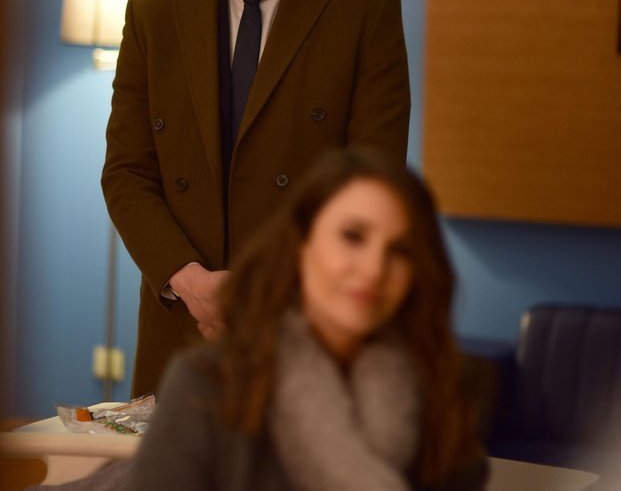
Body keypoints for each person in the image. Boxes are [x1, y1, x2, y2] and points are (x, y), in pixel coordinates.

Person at [101, 0, 410, 397]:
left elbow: (372, 188)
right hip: (183, 326)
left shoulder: (365, 5)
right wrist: (190, 281)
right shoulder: (152, 13)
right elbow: (126, 173)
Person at [119, 148, 488, 491]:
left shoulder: (444, 394)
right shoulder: (207, 384)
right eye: (352, 236)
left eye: (400, 250)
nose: (375, 269)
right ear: (302, 245)